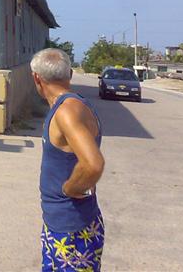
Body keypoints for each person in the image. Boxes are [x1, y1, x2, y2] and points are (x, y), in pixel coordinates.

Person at [31, 48, 106, 271]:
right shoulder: (73, 106)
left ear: (36, 78)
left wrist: (71, 188)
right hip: (62, 223)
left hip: (71, 230)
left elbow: (93, 164)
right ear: (70, 74)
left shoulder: (67, 112)